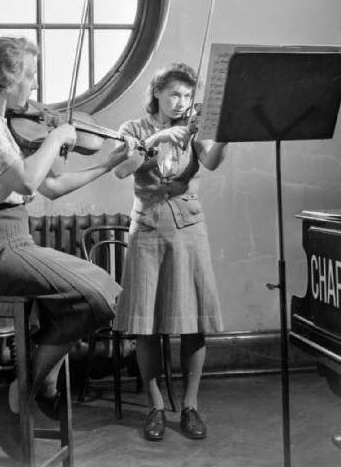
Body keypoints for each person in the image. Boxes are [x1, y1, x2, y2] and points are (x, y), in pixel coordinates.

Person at [0, 36, 132, 460]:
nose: (35, 86)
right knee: (98, 296)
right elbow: (27, 180)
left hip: (12, 241)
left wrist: (108, 163)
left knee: (101, 292)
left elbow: (53, 186)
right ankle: (21, 392)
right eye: (30, 75)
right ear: (8, 80)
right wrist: (57, 135)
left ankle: (31, 386)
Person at [113, 62, 227, 442]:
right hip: (147, 228)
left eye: (187, 96)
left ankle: (190, 406)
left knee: (193, 323)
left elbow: (211, 161)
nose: (181, 102)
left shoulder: (194, 127)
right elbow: (123, 168)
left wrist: (224, 136)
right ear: (157, 94)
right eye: (175, 94)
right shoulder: (133, 129)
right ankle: (156, 407)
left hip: (189, 228)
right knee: (145, 325)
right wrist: (161, 136)